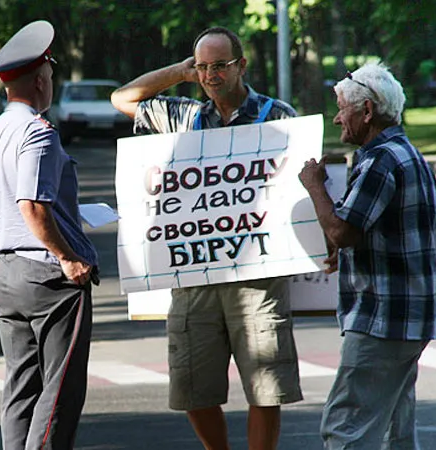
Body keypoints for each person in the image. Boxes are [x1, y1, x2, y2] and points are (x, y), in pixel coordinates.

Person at [110, 26, 302, 450]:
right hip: (194, 274)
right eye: (203, 67)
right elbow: (123, 99)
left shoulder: (279, 116)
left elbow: (301, 178)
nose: (210, 75)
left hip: (257, 275)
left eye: (219, 65)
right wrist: (180, 72)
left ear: (241, 66)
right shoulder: (183, 114)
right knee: (191, 386)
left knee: (265, 387)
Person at [0, 20, 98, 450]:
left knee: (21, 385)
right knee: (60, 390)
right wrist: (68, 257)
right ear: (42, 80)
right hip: (48, 275)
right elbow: (33, 205)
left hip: (7, 272)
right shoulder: (37, 133)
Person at [298, 62, 436, 449]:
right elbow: (376, 230)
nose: (336, 117)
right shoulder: (406, 154)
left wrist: (315, 187)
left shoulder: (380, 160)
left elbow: (343, 231)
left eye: (342, 107)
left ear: (367, 111)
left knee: (346, 428)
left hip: (382, 319)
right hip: (408, 317)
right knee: (396, 430)